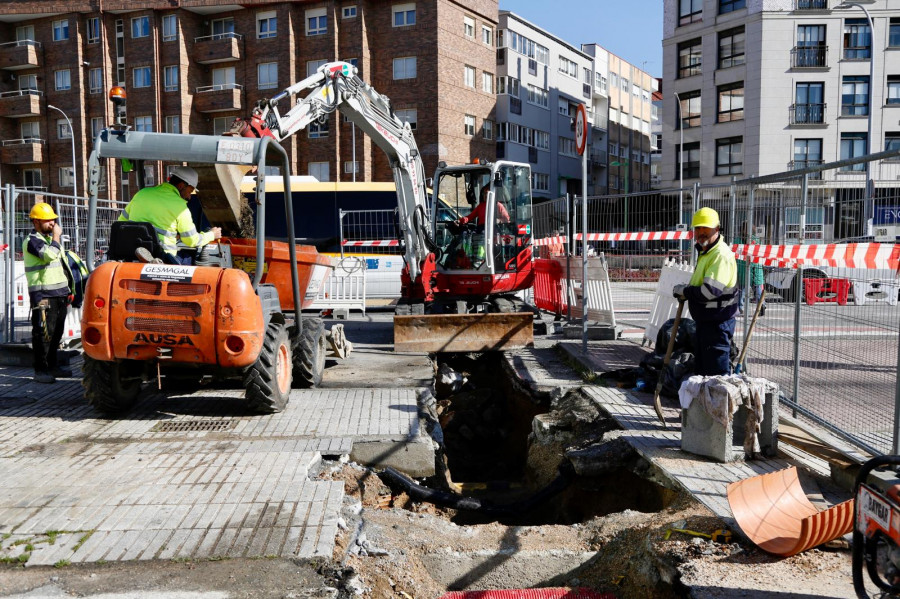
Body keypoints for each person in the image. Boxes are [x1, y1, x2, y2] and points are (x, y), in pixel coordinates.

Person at [673, 207, 738, 376]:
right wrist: (686, 291)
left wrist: (686, 292)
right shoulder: (707, 253)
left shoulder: (720, 255)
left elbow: (709, 291)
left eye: (706, 228)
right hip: (707, 322)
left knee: (715, 376)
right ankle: (704, 402)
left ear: (717, 229)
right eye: (698, 228)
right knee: (703, 372)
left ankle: (716, 403)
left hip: (717, 323)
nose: (701, 232)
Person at [118, 166, 221, 264]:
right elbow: (191, 240)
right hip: (164, 257)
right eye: (190, 191)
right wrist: (212, 234)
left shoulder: (142, 193)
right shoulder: (181, 208)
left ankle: (149, 257)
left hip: (130, 253)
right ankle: (156, 261)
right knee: (189, 257)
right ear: (181, 185)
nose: (189, 197)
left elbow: (121, 222)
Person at [23, 203, 72, 384]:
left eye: (53, 220)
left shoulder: (48, 240)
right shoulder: (32, 241)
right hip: (44, 296)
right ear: (36, 222)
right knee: (44, 334)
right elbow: (49, 256)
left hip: (58, 294)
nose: (52, 223)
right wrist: (57, 237)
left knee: (56, 334)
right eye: (47, 220)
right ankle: (41, 370)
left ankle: (52, 366)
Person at [736, 223, 766, 316]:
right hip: (748, 268)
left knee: (755, 289)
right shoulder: (753, 240)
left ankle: (760, 306)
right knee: (744, 289)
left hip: (751, 268)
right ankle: (758, 306)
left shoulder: (753, 240)